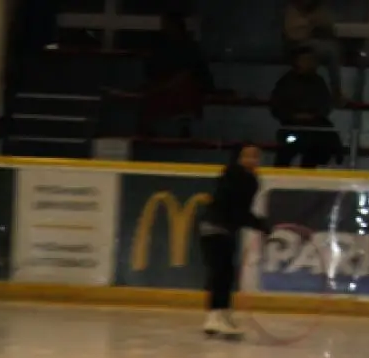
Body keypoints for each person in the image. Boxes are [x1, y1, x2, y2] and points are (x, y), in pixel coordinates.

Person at [200, 142, 273, 340]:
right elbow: (238, 211)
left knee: (223, 272)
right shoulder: (243, 178)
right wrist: (260, 225)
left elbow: (238, 211)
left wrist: (258, 223)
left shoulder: (236, 176)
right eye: (247, 156)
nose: (252, 160)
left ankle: (219, 314)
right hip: (218, 228)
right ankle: (216, 316)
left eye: (255, 156)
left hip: (214, 227)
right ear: (238, 158)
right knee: (222, 273)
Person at [139, 12, 214, 136]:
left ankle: (184, 124)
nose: (166, 28)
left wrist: (167, 85)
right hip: (164, 87)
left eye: (169, 25)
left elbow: (190, 73)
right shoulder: (160, 46)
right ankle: (148, 129)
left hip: (186, 88)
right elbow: (151, 71)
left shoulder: (190, 47)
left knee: (185, 87)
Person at [271, 47, 343, 168]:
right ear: (297, 61)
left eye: (311, 60)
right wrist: (293, 116)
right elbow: (277, 105)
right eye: (305, 60)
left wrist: (314, 115)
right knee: (285, 153)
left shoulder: (318, 82)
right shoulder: (286, 82)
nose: (309, 63)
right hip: (291, 126)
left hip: (313, 127)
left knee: (318, 144)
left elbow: (326, 104)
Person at [283, 0, 344, 101]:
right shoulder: (293, 10)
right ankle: (336, 92)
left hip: (318, 44)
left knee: (332, 49)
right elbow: (293, 34)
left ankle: (336, 91)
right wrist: (310, 26)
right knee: (330, 50)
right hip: (296, 45)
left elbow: (329, 28)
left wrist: (315, 26)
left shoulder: (320, 9)